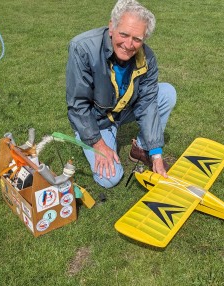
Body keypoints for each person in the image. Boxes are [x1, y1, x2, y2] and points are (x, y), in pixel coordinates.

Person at [66, 0, 177, 189]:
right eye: (124, 34)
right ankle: (95, 137)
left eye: (137, 39)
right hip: (96, 120)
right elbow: (78, 105)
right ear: (111, 27)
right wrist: (98, 143)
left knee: (166, 92)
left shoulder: (147, 58)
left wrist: (156, 153)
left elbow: (148, 103)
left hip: (122, 110)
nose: (128, 44)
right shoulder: (82, 48)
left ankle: (142, 149)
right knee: (109, 179)